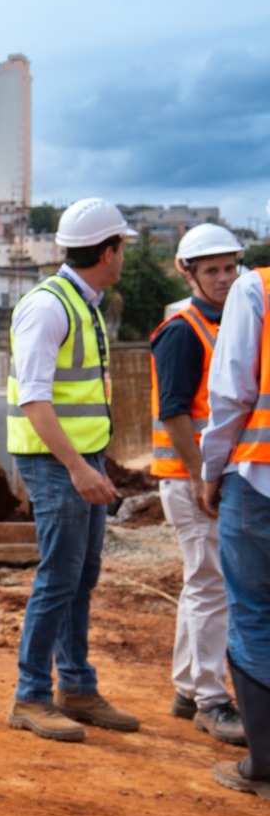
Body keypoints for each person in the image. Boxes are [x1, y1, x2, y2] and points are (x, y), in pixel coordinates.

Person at [4, 198, 140, 742]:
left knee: (80, 576)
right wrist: (79, 469)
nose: (124, 254)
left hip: (81, 459)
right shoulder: (50, 306)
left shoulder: (84, 302)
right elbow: (36, 401)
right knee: (58, 577)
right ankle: (31, 695)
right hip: (56, 461)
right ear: (108, 251)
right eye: (123, 246)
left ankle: (77, 685)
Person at [148, 223, 246, 745]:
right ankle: (211, 697)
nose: (224, 278)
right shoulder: (185, 330)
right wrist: (201, 475)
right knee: (212, 585)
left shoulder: (223, 322)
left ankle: (190, 690)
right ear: (189, 273)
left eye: (230, 267)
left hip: (199, 478)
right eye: (212, 270)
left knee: (202, 583)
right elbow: (175, 413)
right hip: (190, 479)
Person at [193, 202, 270, 798]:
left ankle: (262, 763)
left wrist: (212, 470)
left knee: (253, 612)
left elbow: (231, 394)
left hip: (260, 479)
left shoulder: (257, 291)